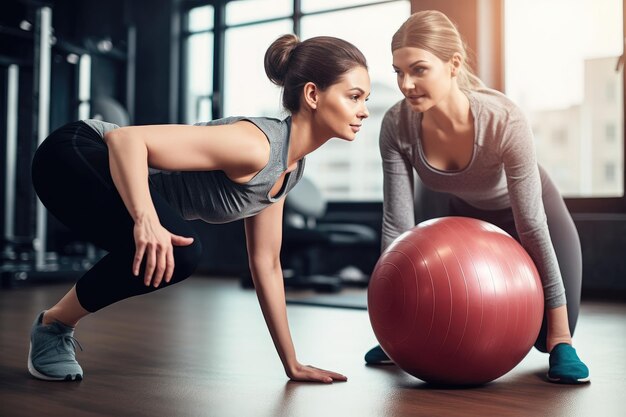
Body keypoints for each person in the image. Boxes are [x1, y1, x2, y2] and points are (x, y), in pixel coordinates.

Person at [28, 34, 370, 384]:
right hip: (71, 154)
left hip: (96, 178)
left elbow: (266, 264)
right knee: (183, 249)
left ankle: (52, 324)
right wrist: (146, 220)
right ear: (313, 95)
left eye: (366, 99)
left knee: (175, 250)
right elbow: (125, 140)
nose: (365, 110)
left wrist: (292, 363)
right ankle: (54, 325)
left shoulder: (289, 169)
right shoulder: (256, 145)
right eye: (354, 96)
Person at [364, 10, 589, 384]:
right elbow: (397, 226)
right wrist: (392, 330)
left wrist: (560, 336)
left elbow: (531, 224)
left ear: (453, 65)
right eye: (398, 72)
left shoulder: (503, 119)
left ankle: (563, 340)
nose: (406, 84)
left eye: (419, 70)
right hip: (466, 215)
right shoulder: (396, 124)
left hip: (531, 209)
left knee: (543, 338)